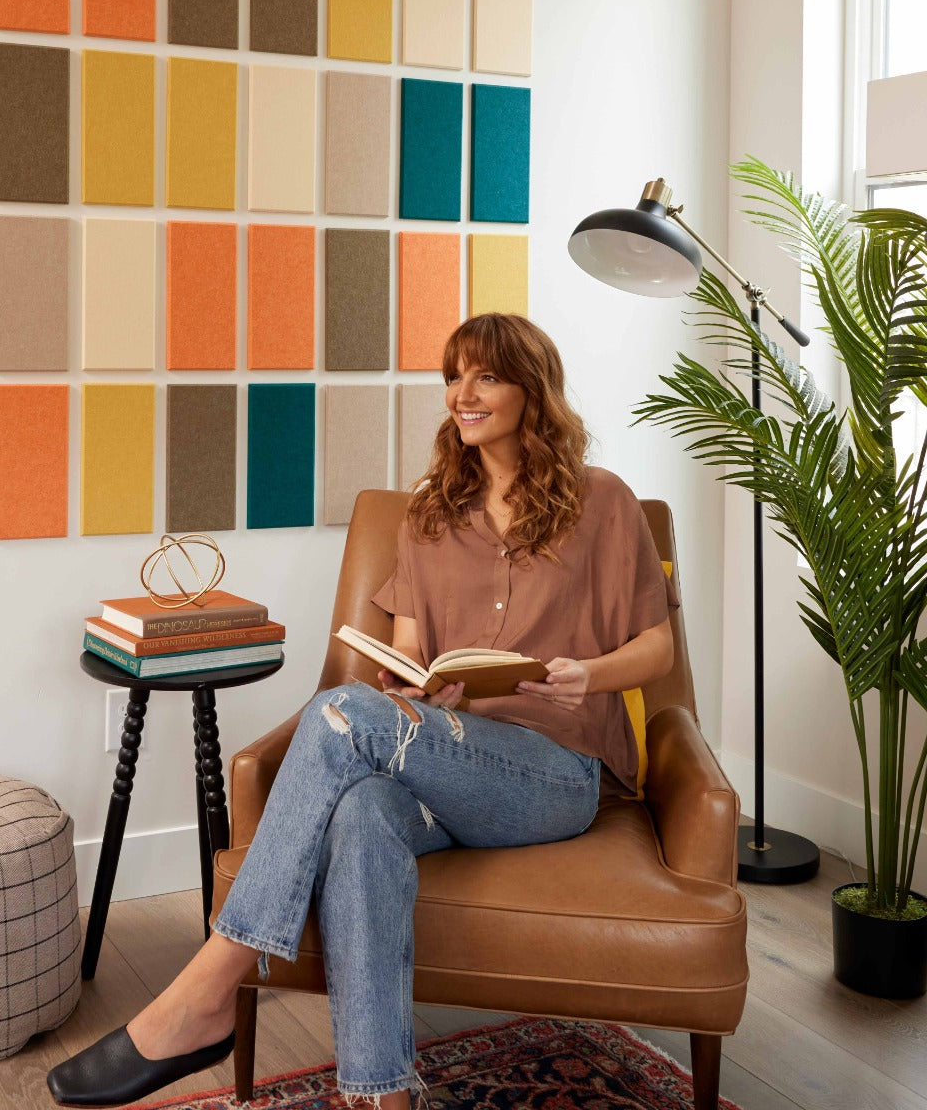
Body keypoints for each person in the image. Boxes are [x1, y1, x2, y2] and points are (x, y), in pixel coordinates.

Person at [47, 313, 678, 1109]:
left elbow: (656, 648)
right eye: (453, 376)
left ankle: (208, 988)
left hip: (554, 773)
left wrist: (589, 674)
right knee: (361, 817)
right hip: (445, 757)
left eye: (485, 376)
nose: (462, 394)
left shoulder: (603, 502)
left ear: (532, 389)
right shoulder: (431, 513)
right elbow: (407, 662)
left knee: (343, 715)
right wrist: (419, 691)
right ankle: (382, 1096)